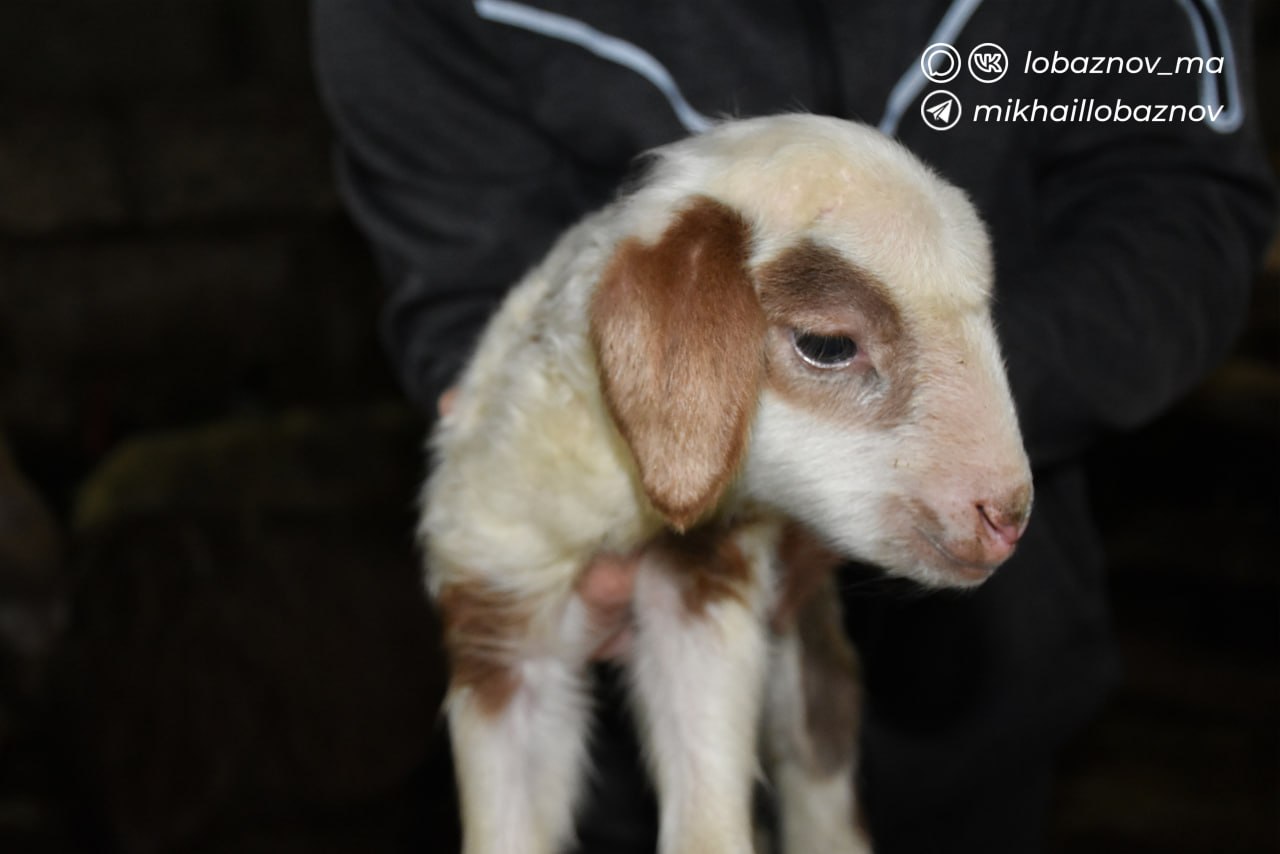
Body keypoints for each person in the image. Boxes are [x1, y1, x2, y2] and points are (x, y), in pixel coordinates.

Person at [313, 1, 1275, 851]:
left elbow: (1176, 190)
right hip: (611, 651)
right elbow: (465, 280)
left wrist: (964, 390)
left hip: (983, 694)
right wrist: (590, 468)